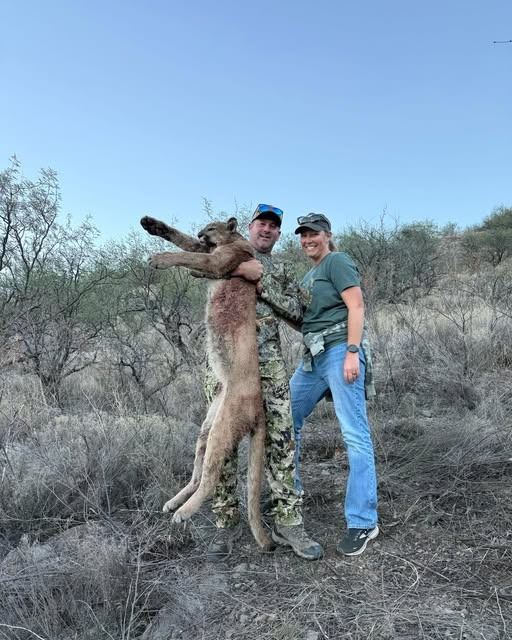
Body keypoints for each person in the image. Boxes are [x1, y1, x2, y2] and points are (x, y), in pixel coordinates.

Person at [206, 204, 323, 562]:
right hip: (225, 366)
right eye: (262, 223)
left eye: (274, 226)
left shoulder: (282, 270)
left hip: (267, 366)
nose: (267, 229)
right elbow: (200, 264)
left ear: (277, 234)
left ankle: (288, 522)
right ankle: (225, 524)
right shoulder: (225, 253)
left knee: (281, 441)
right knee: (222, 443)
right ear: (249, 226)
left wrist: (262, 281)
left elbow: (300, 314)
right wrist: (238, 267)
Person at [290, 212, 379, 556]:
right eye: (303, 235)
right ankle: (288, 500)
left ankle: (363, 521)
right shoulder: (308, 275)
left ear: (327, 235)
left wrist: (352, 352)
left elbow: (356, 305)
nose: (307, 239)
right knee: (285, 420)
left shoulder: (336, 261)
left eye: (313, 233)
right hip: (313, 358)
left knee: (354, 432)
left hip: (341, 348)